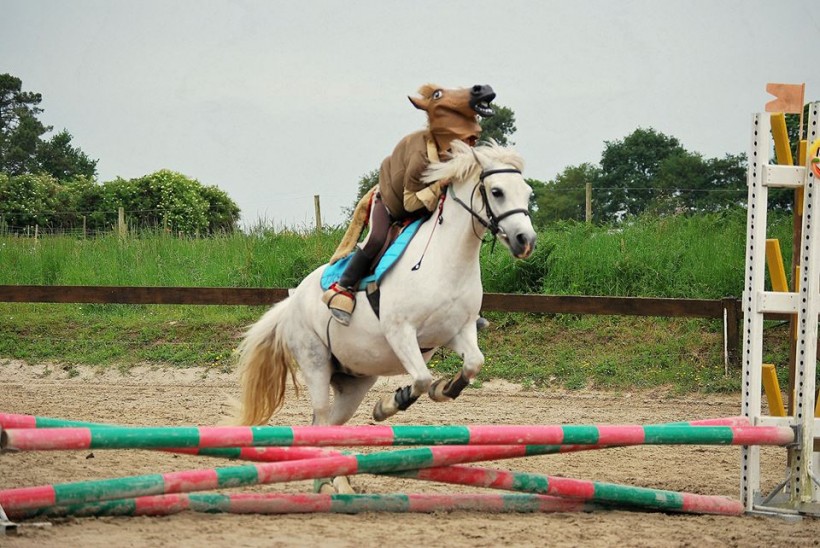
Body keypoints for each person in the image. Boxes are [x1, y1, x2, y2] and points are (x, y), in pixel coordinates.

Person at [322, 83, 496, 325]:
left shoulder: (457, 153)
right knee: (376, 239)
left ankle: (463, 309)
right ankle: (343, 288)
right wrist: (440, 184)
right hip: (391, 205)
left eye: (471, 139)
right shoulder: (420, 155)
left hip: (425, 208)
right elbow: (410, 201)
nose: (470, 145)